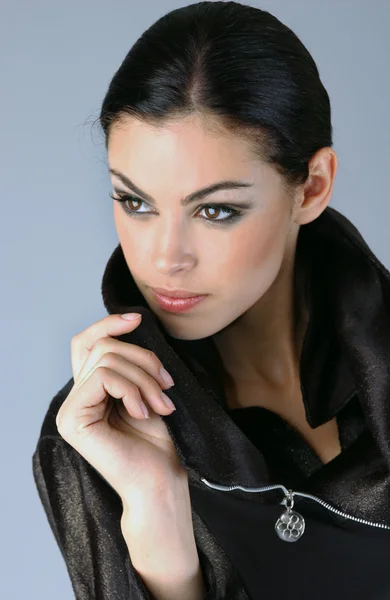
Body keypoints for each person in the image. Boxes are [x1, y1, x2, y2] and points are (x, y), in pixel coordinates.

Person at [32, 2, 390, 599]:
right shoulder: (99, 431)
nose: (166, 258)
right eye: (135, 203)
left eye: (216, 210)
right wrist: (156, 512)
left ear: (313, 187)